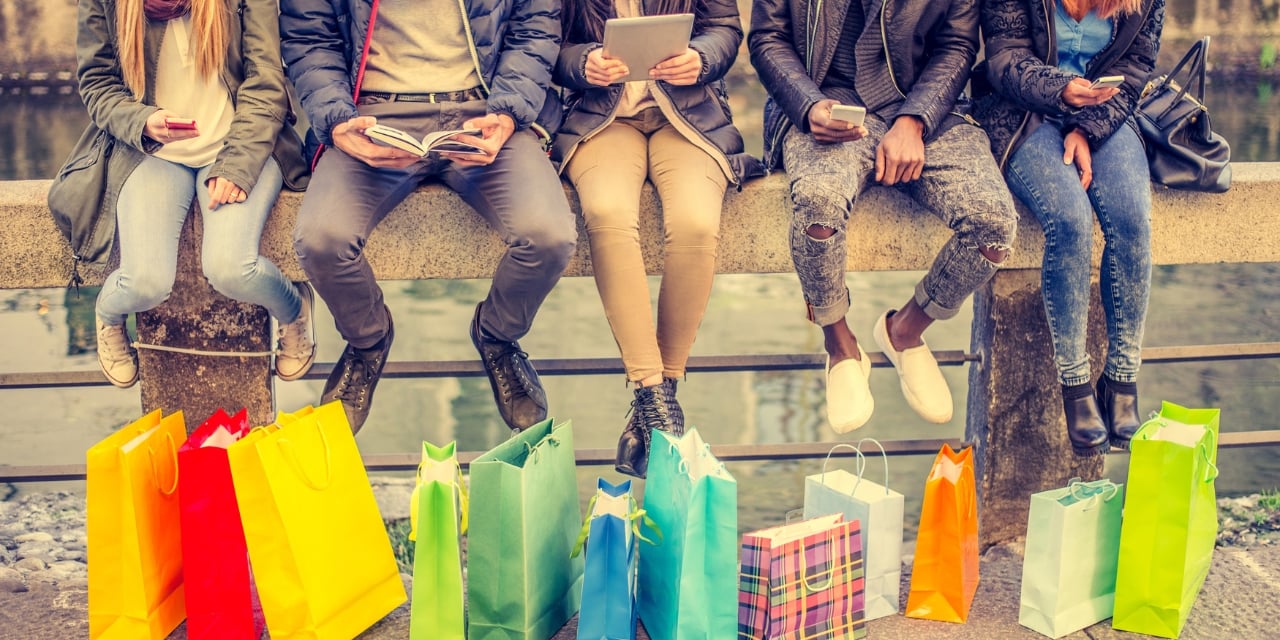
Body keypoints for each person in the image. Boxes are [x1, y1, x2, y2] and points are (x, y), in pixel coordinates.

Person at [281, 0, 577, 433]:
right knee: (321, 239)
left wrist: (509, 111)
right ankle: (368, 341)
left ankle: (497, 335)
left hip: (485, 112)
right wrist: (337, 119)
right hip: (371, 115)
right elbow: (310, 37)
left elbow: (535, 25)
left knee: (549, 236)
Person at [748, 0, 1019, 432]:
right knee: (818, 205)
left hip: (925, 111)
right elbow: (767, 37)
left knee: (994, 225)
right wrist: (809, 106)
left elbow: (957, 44)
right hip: (825, 109)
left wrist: (916, 119)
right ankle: (839, 344)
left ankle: (905, 331)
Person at [553, 0, 764, 477]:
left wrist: (701, 58)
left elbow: (725, 30)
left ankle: (654, 404)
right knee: (607, 212)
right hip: (599, 118)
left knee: (695, 223)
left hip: (687, 115)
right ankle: (657, 397)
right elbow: (546, 44)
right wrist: (584, 63)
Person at [71, 0, 315, 389]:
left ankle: (294, 308)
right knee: (143, 282)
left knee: (232, 269)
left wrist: (237, 164)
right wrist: (143, 121)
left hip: (241, 146)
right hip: (151, 153)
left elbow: (266, 81)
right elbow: (97, 84)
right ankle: (108, 315)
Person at [976, 0, 1164, 455]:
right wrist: (1063, 91)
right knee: (1070, 220)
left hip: (1104, 115)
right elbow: (1004, 59)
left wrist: (1086, 128)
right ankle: (1075, 383)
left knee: (1132, 220)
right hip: (1022, 115)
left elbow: (1136, 66)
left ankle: (1122, 378)